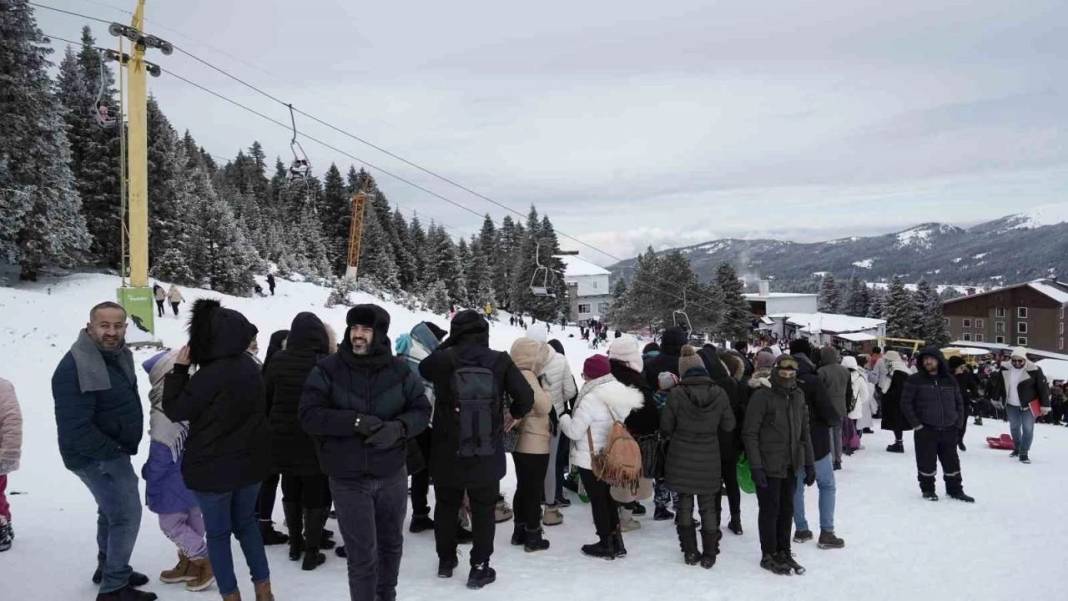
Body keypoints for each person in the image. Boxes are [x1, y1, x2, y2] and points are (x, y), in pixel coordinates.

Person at [300, 305, 431, 600]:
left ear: (380, 334)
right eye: (354, 328)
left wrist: (398, 428)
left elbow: (422, 410)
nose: (358, 335)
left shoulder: (400, 371)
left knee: (390, 545)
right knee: (362, 555)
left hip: (392, 474)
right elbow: (308, 415)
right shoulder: (327, 369)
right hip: (348, 478)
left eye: (366, 330)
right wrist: (353, 421)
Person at [162, 300, 273, 601]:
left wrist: (180, 371)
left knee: (220, 536)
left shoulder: (208, 375)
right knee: (247, 526)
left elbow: (175, 409)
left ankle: (231, 595)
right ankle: (264, 591)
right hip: (251, 466)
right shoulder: (251, 367)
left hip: (212, 471)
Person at [418, 310, 533, 588]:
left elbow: (423, 369)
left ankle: (446, 561)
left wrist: (449, 344)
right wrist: (513, 414)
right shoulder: (500, 360)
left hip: (447, 450)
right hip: (486, 449)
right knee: (483, 510)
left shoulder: (444, 359)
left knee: (446, 505)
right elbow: (525, 397)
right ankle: (480, 567)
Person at [53, 302, 157, 601]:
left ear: (125, 327)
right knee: (126, 514)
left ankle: (108, 566)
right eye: (104, 325)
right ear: (90, 326)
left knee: (109, 510)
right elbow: (76, 427)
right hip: (95, 455)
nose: (111, 332)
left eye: (117, 326)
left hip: (109, 448)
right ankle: (114, 587)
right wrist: (112, 451)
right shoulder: (75, 365)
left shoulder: (115, 354)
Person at [264, 313, 336, 570]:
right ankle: (312, 551)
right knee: (315, 492)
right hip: (314, 439)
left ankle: (295, 544)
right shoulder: (326, 363)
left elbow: (267, 398)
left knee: (290, 487)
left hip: (282, 438)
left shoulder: (278, 360)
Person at [140, 350, 214, 591]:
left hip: (171, 483)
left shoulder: (164, 410)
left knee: (171, 525)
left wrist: (150, 477)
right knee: (193, 522)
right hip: (194, 478)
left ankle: (205, 560)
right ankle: (190, 563)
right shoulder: (192, 399)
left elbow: (161, 454)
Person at [559, 354, 644, 560]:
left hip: (592, 459)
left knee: (598, 501)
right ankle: (617, 542)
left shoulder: (591, 398)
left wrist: (564, 417)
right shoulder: (620, 391)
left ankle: (605, 542)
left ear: (591, 375)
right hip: (612, 455)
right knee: (608, 498)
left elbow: (574, 432)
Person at [661, 346, 736, 568]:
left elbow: (666, 426)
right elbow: (729, 424)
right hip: (709, 456)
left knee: (684, 504)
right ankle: (710, 552)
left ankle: (690, 551)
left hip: (681, 455)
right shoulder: (719, 393)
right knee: (707, 506)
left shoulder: (676, 394)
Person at [743, 355, 815, 576]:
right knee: (770, 510)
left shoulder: (798, 395)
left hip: (791, 463)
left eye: (791, 370)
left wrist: (809, 463)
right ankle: (769, 553)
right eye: (783, 370)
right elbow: (750, 433)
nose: (787, 374)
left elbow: (805, 433)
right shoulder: (763, 396)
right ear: (776, 370)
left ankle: (784, 550)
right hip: (768, 463)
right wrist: (756, 466)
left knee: (787, 509)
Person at [788, 339, 843, 549]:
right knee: (827, 485)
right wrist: (834, 421)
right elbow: (827, 411)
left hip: (791, 442)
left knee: (796, 488)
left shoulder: (780, 378)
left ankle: (801, 529)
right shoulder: (813, 379)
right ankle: (827, 532)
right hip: (817, 441)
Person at [394, 321, 448, 534]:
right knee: (420, 469)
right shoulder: (422, 355)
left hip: (401, 417)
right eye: (439, 338)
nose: (441, 342)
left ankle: (415, 514)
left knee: (407, 468)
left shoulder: (406, 349)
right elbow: (430, 389)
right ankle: (419, 515)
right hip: (421, 420)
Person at [900, 348, 974, 502]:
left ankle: (955, 490)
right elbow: (905, 403)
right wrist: (917, 425)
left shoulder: (950, 379)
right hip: (926, 429)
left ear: (939, 360)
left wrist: (958, 423)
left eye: (931, 359)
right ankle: (928, 490)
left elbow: (959, 401)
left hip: (949, 428)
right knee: (926, 461)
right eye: (925, 359)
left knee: (952, 461)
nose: (928, 362)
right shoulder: (915, 379)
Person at [507, 336, 554, 552]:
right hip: (534, 441)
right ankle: (533, 535)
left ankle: (520, 530)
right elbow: (543, 406)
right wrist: (548, 392)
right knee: (534, 490)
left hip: (521, 442)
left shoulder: (513, 374)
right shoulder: (528, 375)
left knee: (523, 487)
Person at [527, 331, 577, 528]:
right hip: (553, 417)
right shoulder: (560, 359)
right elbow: (571, 391)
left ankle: (531, 508)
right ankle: (550, 506)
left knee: (529, 464)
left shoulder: (523, 358)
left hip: (529, 419)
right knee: (551, 463)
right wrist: (556, 401)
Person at [609, 335, 656, 532]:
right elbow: (647, 414)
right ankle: (625, 518)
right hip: (633, 436)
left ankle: (613, 514)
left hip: (610, 434)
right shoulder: (635, 380)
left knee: (615, 476)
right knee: (629, 478)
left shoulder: (608, 376)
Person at [643, 327, 687, 521]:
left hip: (657, 418)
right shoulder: (684, 363)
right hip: (680, 421)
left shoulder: (652, 363)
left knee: (661, 463)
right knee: (678, 464)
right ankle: (680, 504)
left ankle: (660, 504)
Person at [700, 347, 746, 535]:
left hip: (712, 442)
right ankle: (736, 519)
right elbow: (741, 414)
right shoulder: (734, 385)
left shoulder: (707, 386)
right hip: (731, 440)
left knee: (714, 484)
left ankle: (715, 522)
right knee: (731, 481)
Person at [256, 330, 290, 546]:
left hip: (270, 434)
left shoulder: (264, 367)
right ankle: (263, 524)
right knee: (269, 481)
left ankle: (262, 523)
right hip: (270, 435)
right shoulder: (269, 369)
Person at [991, 348, 1050, 464]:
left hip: (1028, 405)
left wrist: (1045, 405)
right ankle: (1017, 448)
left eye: (1020, 361)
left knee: (1028, 429)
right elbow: (999, 384)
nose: (1017, 363)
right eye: (1014, 361)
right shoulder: (1005, 368)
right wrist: (995, 397)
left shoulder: (1035, 370)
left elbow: (1042, 389)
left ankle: (1024, 453)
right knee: (1014, 428)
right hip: (1011, 404)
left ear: (1025, 359)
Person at [817, 346, 850, 469]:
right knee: (838, 434)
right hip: (841, 406)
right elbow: (849, 391)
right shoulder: (844, 371)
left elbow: (819, 391)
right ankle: (838, 459)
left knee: (829, 434)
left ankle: (832, 459)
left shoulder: (822, 371)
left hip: (828, 407)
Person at [0, 377, 22, 553]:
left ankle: (1, 526)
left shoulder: (2, 388)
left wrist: (9, 452)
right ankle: (5, 520)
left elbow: (12, 421)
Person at [880, 351, 914, 453]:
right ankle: (898, 442)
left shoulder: (897, 372)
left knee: (897, 423)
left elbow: (897, 389)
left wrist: (887, 395)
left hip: (896, 402)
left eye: (886, 360)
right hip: (901, 402)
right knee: (898, 423)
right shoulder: (902, 369)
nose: (885, 362)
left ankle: (899, 444)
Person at [948, 356, 979, 452]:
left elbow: (972, 385)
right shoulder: (946, 375)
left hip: (963, 401)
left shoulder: (966, 374)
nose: (963, 369)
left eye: (963, 367)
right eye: (961, 367)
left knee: (962, 423)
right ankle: (950, 441)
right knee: (949, 423)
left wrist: (974, 394)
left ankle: (959, 439)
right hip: (949, 403)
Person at [842, 356, 871, 453]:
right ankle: (854, 442)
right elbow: (865, 394)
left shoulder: (839, 375)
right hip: (854, 407)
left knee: (842, 426)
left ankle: (843, 443)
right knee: (855, 426)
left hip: (841, 406)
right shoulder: (859, 377)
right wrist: (858, 402)